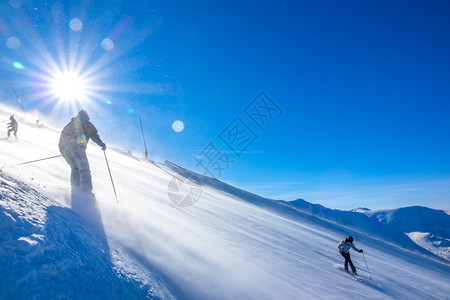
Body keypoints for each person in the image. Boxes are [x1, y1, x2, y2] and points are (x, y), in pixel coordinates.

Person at [59, 110, 106, 193]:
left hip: (64, 147)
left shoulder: (71, 123)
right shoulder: (87, 124)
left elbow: (64, 134)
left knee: (75, 168)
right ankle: (86, 191)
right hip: (76, 147)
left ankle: (75, 188)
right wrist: (101, 144)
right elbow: (94, 135)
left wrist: (65, 148)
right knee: (84, 168)